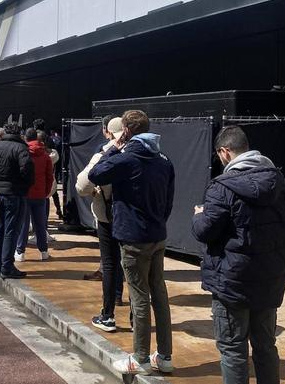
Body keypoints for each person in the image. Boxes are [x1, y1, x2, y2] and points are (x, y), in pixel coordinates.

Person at [192, 126, 285, 384]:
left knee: (233, 350)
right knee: (265, 346)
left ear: (225, 152)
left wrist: (199, 215)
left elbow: (205, 231)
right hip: (269, 278)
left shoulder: (221, 187)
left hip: (232, 282)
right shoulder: (281, 184)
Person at [89, 110, 175, 375]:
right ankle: (165, 356)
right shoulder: (164, 160)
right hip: (157, 234)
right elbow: (169, 200)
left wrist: (114, 147)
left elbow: (96, 174)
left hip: (134, 238)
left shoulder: (128, 158)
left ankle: (140, 358)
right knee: (159, 294)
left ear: (126, 130)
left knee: (139, 297)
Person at [76, 116, 125, 333]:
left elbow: (82, 185)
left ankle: (108, 314)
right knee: (134, 267)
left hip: (108, 216)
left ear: (107, 131)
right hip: (137, 219)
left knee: (109, 262)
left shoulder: (105, 154)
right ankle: (135, 317)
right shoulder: (149, 154)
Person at [0, 123, 34, 279]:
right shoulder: (21, 149)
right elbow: (27, 169)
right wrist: (24, 186)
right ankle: (7, 266)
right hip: (14, 193)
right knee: (11, 230)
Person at [14, 128, 53, 261]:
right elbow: (50, 177)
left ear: (25, 138)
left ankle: (20, 252)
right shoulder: (45, 155)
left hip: (25, 194)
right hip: (40, 194)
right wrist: (45, 192)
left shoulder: (23, 153)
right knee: (40, 224)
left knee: (24, 224)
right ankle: (44, 252)